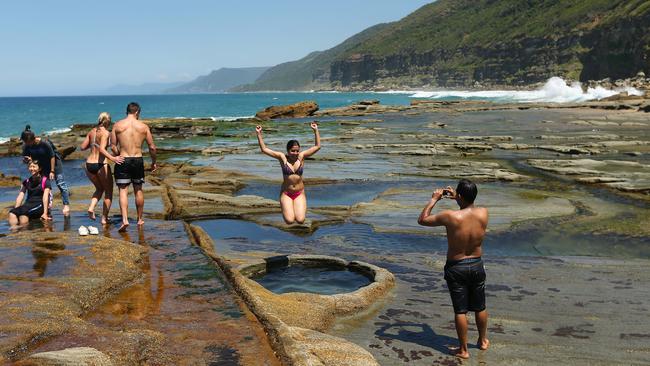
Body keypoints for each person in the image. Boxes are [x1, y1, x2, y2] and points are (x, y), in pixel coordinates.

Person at [417, 179, 489, 359]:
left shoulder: (450, 216)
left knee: (460, 310)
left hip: (457, 267)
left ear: (461, 196)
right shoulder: (484, 212)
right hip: (477, 263)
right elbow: (469, 206)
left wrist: (434, 199)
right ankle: (482, 341)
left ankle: (463, 350)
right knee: (480, 307)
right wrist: (459, 197)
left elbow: (422, 220)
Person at [255, 122, 320, 224]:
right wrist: (259, 134)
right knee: (289, 221)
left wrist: (315, 130)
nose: (295, 153)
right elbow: (264, 149)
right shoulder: (282, 158)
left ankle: (293, 207)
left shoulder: (302, 157)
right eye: (292, 151)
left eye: (297, 151)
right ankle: (285, 206)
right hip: (286, 193)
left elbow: (317, 146)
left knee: (300, 220)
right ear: (288, 150)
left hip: (299, 193)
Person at [110, 102, 157, 232]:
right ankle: (139, 219)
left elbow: (113, 145)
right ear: (137, 112)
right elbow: (152, 147)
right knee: (138, 190)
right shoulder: (143, 126)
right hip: (137, 160)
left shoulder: (117, 125)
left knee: (123, 191)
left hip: (123, 159)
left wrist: (117, 155)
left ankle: (125, 220)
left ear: (127, 111)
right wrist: (154, 162)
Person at [80, 112, 124, 224]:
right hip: (100, 165)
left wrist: (93, 143)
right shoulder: (106, 133)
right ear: (107, 122)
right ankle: (104, 218)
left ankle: (91, 207)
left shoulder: (91, 131)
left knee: (99, 189)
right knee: (108, 192)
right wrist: (113, 158)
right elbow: (102, 150)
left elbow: (82, 147)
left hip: (89, 164)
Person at [21, 125, 70, 216]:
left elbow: (52, 156)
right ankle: (46, 207)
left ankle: (66, 205)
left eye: (27, 142)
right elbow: (26, 160)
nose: (26, 144)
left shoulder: (44, 143)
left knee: (61, 183)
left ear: (33, 139)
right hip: (42, 166)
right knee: (44, 187)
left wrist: (52, 171)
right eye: (25, 142)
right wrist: (26, 160)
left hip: (54, 164)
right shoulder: (26, 146)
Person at [8, 160, 52, 229]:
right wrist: (17, 209)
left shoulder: (45, 181)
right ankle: (14, 233)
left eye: (34, 167)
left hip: (40, 204)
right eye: (30, 167)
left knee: (23, 214)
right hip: (28, 204)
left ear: (40, 168)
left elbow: (45, 196)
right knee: (12, 213)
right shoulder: (26, 182)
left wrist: (45, 213)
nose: (32, 169)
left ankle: (24, 232)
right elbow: (20, 196)